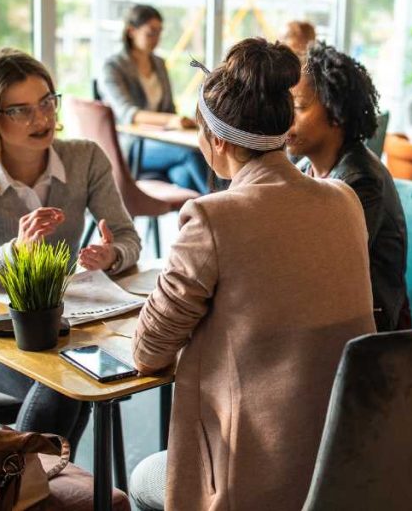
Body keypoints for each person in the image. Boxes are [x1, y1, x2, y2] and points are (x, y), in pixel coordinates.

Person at [130, 38, 375, 510]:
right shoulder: (344, 199)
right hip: (343, 462)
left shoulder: (211, 218)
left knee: (144, 477)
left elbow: (148, 352)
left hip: (253, 477)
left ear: (215, 140)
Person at [0, 47, 142, 451]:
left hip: (64, 324)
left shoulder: (85, 158)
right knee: (67, 380)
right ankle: (31, 481)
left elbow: (128, 238)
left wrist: (111, 254)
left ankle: (24, 483)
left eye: (47, 102)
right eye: (21, 110)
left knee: (72, 374)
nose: (42, 118)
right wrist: (17, 252)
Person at [286, 42, 411, 332]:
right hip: (334, 314)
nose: (287, 119)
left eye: (300, 107)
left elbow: (325, 266)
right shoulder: (307, 168)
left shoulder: (361, 181)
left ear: (337, 114)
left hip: (371, 333)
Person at [99, 4, 209, 194]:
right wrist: (171, 120)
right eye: (151, 33)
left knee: (183, 175)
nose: (156, 39)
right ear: (131, 31)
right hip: (132, 146)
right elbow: (128, 113)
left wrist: (181, 120)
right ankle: (225, 212)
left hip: (162, 141)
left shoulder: (159, 64)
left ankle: (210, 217)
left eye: (159, 32)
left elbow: (169, 108)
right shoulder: (113, 66)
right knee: (191, 152)